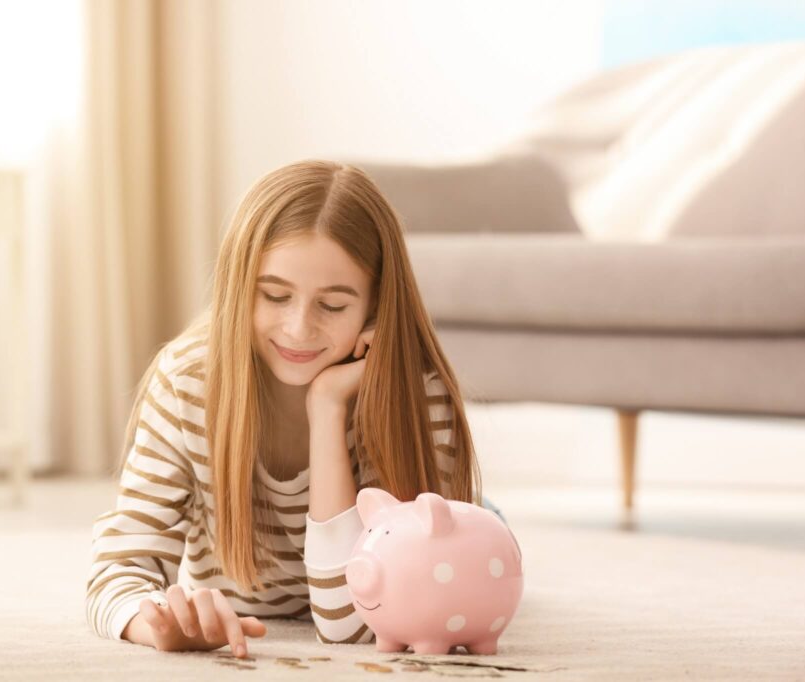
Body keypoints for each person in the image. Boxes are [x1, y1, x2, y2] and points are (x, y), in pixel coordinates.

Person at [85, 159, 509, 658]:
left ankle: (481, 514)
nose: (298, 328)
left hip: (429, 528)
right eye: (275, 295)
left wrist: (327, 407)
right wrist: (154, 624)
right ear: (238, 287)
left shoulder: (414, 394)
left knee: (482, 537)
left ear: (375, 306)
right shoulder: (187, 382)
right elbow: (116, 572)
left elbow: (351, 629)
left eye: (332, 306)